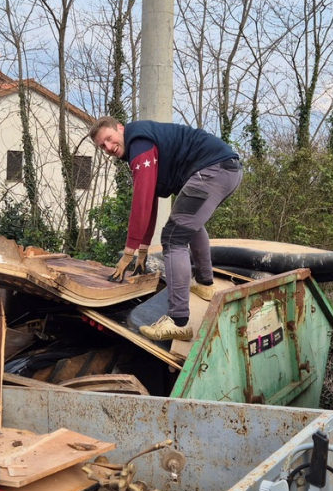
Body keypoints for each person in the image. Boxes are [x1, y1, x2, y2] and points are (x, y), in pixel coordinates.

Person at [89, 116, 242, 341]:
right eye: (103, 146)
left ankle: (178, 321)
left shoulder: (139, 143)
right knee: (187, 225)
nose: (109, 147)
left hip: (213, 170)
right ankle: (205, 283)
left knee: (173, 238)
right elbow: (149, 200)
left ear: (120, 128)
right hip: (226, 169)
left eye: (109, 139)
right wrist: (142, 249)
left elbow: (141, 202)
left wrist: (128, 252)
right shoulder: (140, 141)